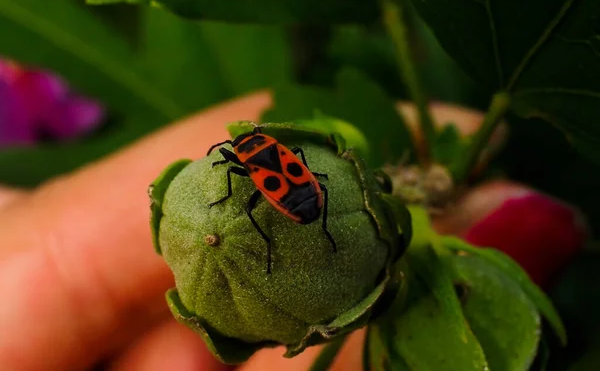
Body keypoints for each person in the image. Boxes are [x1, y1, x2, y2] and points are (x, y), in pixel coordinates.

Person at [0, 92, 541, 370]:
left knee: (241, 223)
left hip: (320, 204)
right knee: (231, 230)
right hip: (315, 203)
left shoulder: (254, 161)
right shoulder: (264, 162)